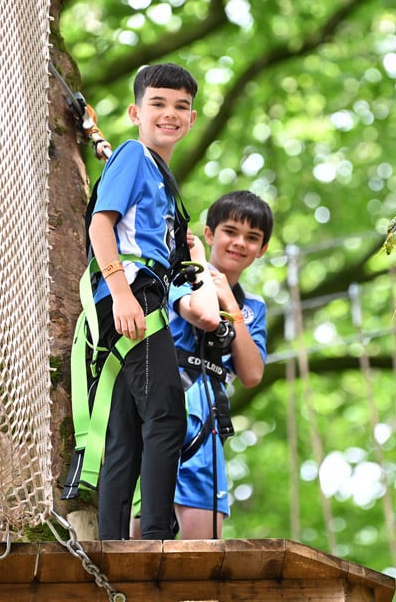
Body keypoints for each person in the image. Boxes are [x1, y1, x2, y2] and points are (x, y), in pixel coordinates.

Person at [86, 62, 220, 540]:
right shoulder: (134, 156)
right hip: (132, 293)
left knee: (125, 429)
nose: (170, 114)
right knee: (166, 412)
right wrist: (122, 293)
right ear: (135, 111)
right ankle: (158, 535)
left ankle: (112, 540)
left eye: (181, 107)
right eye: (158, 104)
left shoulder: (157, 174)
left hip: (140, 296)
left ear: (192, 117)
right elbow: (101, 224)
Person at [169, 190, 274, 539]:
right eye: (230, 231)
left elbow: (252, 373)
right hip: (164, 404)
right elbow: (203, 317)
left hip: (208, 421)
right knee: (145, 535)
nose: (240, 243)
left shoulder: (253, 307)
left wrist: (230, 300)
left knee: (205, 549)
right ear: (210, 234)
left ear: (262, 250)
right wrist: (200, 268)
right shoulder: (181, 274)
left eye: (252, 238)